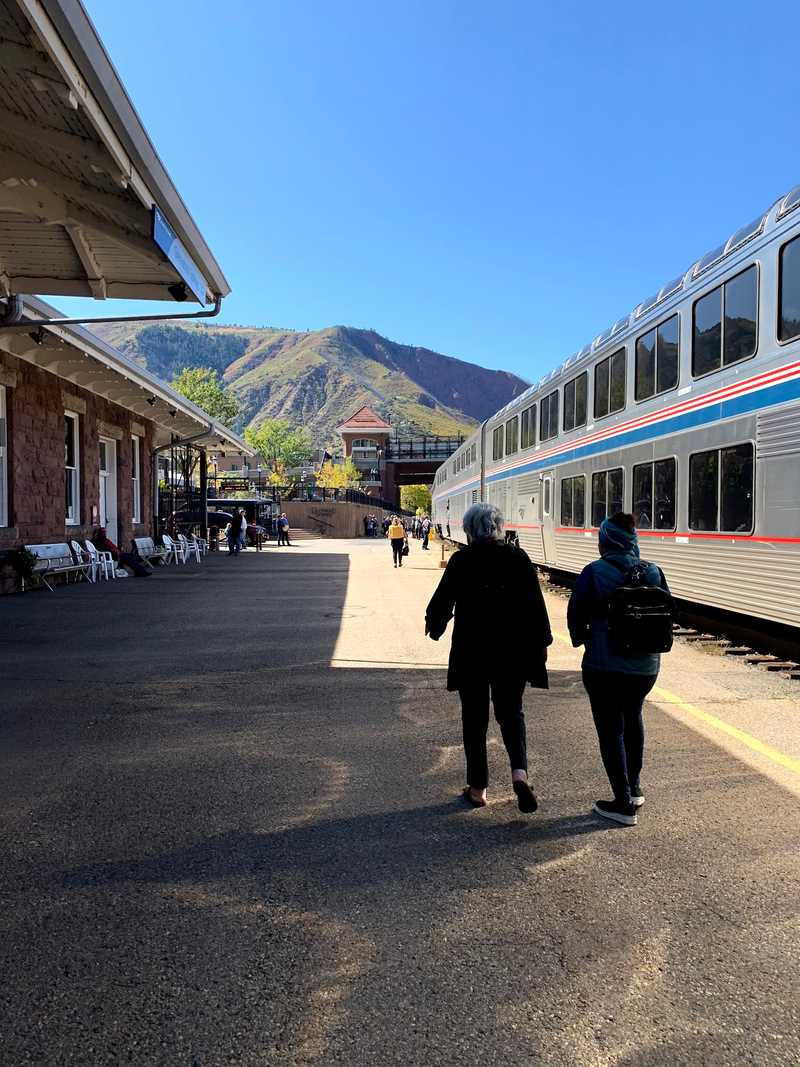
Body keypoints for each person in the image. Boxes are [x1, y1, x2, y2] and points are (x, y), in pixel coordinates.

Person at [425, 503, 552, 812]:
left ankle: (478, 787)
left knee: (475, 718)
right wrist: (542, 642)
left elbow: (441, 602)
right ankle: (520, 774)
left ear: (468, 531)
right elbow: (535, 606)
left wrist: (436, 624)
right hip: (512, 651)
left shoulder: (462, 560)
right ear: (497, 527)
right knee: (511, 713)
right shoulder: (517, 558)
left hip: (472, 651)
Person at [567, 513, 670, 827]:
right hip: (645, 669)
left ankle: (623, 804)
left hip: (604, 667)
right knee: (633, 718)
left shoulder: (594, 572)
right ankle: (635, 789)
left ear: (606, 540)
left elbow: (575, 615)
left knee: (611, 729)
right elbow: (668, 611)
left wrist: (584, 640)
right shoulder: (653, 571)